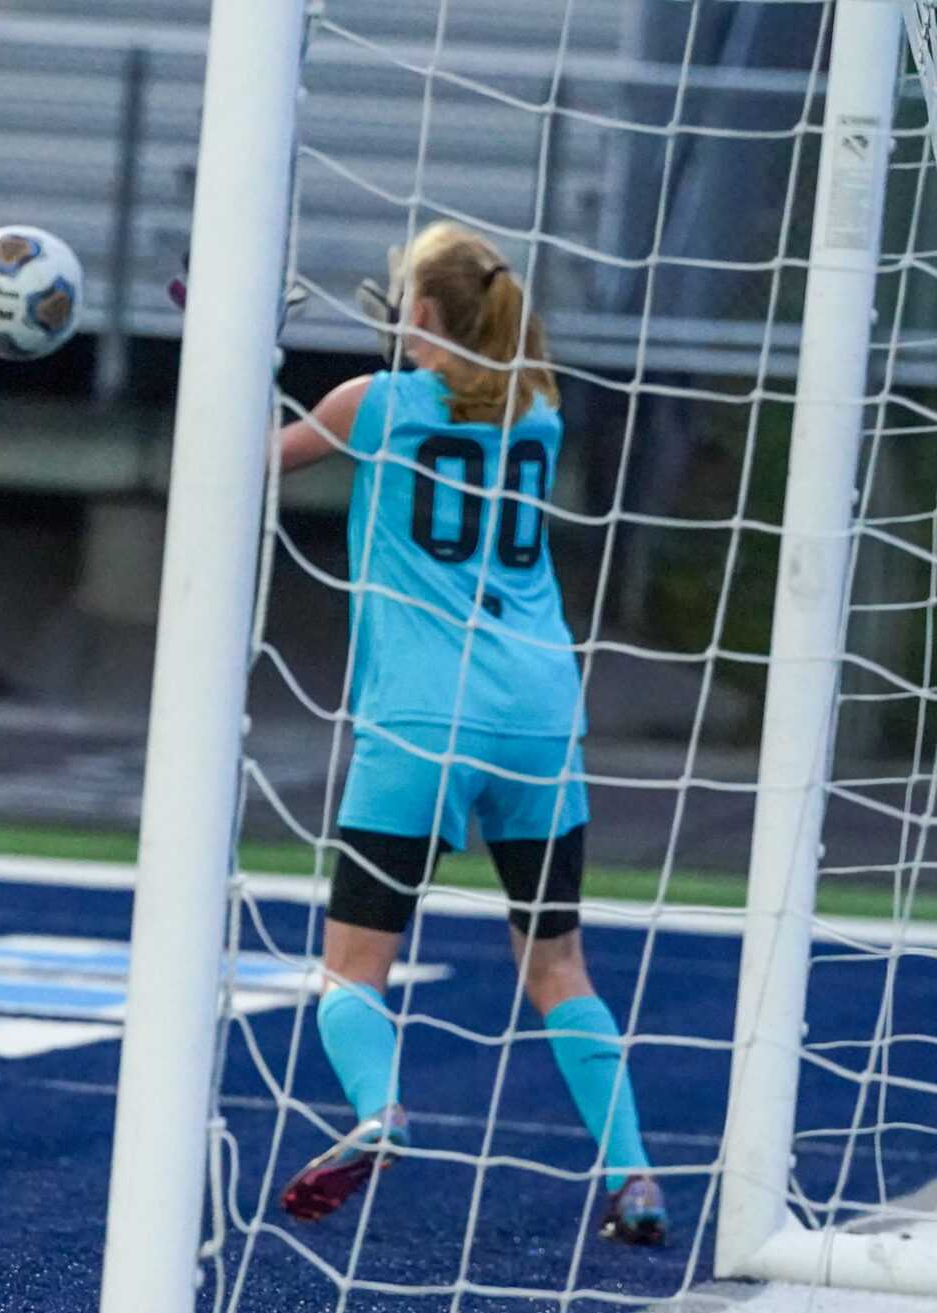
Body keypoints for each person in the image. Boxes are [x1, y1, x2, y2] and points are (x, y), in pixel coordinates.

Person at [271, 220, 666, 1246]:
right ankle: (632, 1174)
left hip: (423, 711)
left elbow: (250, 464)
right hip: (540, 709)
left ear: (422, 311)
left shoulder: (373, 405)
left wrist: (250, 355)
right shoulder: (541, 409)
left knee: (354, 965)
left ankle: (380, 1110)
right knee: (558, 961)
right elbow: (475, 391)